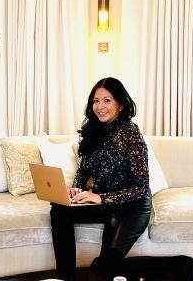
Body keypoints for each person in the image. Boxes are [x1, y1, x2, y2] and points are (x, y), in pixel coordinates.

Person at [50, 77, 152, 281]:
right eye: (96, 101)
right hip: (105, 201)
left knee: (103, 268)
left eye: (107, 100)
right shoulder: (93, 131)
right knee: (59, 209)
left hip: (132, 205)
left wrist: (100, 198)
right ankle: (65, 278)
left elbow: (141, 187)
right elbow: (83, 171)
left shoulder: (130, 133)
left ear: (120, 105)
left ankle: (179, 265)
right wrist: (76, 188)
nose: (100, 106)